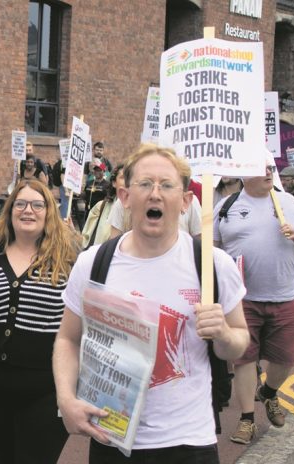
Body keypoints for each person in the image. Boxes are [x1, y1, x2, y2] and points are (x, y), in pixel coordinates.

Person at [54, 144, 249, 463]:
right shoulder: (94, 263)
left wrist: (224, 335)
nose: (155, 194)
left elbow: (239, 343)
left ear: (186, 201)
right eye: (145, 184)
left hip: (189, 442)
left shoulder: (212, 265)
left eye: (167, 185)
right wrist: (66, 398)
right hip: (112, 437)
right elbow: (67, 338)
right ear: (125, 196)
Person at [0, 178, 78, 464]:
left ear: (49, 212)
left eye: (38, 205)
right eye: (21, 204)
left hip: (47, 389)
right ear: (10, 210)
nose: (29, 210)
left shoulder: (69, 262)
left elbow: (81, 324)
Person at [214, 163, 294, 445]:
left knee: (286, 359)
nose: (268, 172)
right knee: (243, 359)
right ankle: (246, 420)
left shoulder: (292, 204)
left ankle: (268, 392)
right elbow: (213, 252)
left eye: (270, 167)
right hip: (242, 300)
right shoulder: (226, 207)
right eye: (260, 168)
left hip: (285, 296)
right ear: (244, 173)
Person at [81, 164, 123, 249]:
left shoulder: (139, 212)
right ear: (114, 183)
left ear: (104, 172)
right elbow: (85, 238)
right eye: (96, 170)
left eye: (99, 170)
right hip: (95, 212)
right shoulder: (89, 183)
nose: (97, 172)